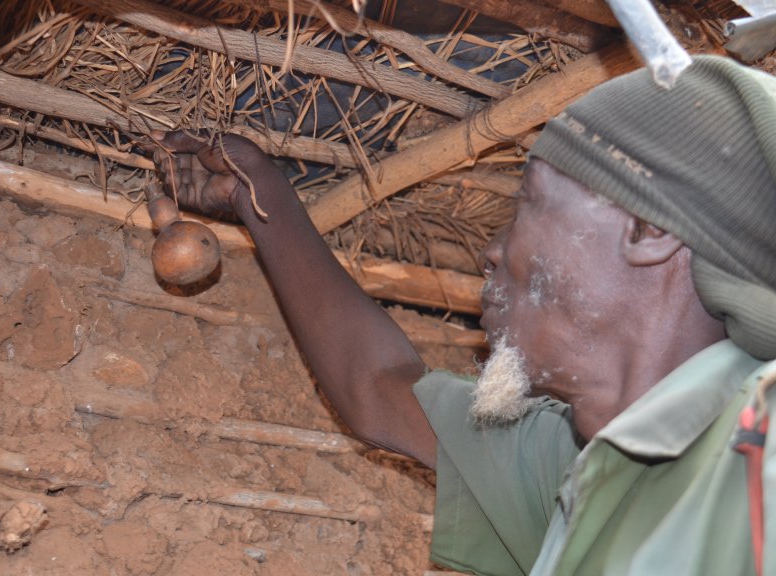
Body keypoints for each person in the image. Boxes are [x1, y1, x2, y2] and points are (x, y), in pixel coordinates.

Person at [149, 55, 776, 575]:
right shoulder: (574, 466)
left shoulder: (759, 447)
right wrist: (258, 192)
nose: (491, 250)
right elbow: (378, 388)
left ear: (647, 228)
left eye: (528, 201)